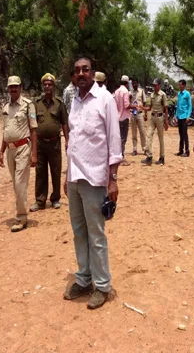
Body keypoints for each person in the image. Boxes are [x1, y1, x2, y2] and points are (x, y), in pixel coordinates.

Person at [62, 56, 121, 310]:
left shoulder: (105, 99)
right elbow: (73, 141)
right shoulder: (73, 101)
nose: (81, 74)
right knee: (78, 231)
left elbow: (114, 141)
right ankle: (84, 279)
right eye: (77, 71)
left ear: (93, 72)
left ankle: (102, 285)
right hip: (74, 177)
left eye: (85, 69)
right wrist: (66, 175)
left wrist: (113, 180)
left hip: (95, 178)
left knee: (96, 233)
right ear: (73, 76)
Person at [0, 76, 38, 232]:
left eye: (16, 86)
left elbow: (34, 130)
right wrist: (1, 151)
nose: (13, 89)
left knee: (20, 184)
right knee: (16, 184)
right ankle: (21, 212)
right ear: (8, 88)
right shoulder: (6, 108)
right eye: (11, 87)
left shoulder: (28, 106)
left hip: (23, 148)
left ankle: (21, 218)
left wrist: (34, 153)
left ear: (21, 87)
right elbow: (5, 131)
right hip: (10, 150)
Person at [31, 73, 68, 212]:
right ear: (43, 86)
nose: (47, 87)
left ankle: (55, 198)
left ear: (54, 86)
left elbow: (64, 123)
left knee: (56, 171)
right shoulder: (36, 104)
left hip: (55, 143)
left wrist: (67, 141)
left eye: (50, 84)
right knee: (40, 172)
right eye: (45, 84)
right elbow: (32, 123)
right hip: (40, 144)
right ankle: (40, 200)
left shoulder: (59, 104)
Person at [141, 78, 169, 165]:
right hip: (152, 118)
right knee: (148, 135)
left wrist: (166, 121)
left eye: (155, 85)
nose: (154, 87)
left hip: (160, 118)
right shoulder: (152, 95)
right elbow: (149, 107)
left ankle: (162, 157)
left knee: (161, 138)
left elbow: (166, 108)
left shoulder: (162, 95)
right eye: (153, 85)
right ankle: (149, 156)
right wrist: (142, 108)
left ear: (159, 85)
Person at [113, 75, 132, 166]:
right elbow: (127, 105)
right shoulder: (125, 91)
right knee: (123, 138)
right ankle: (121, 156)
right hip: (124, 117)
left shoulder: (117, 91)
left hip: (117, 117)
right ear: (127, 83)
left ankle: (118, 155)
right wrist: (135, 106)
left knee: (119, 138)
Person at [129, 76, 147, 156]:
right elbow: (129, 102)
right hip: (133, 114)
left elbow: (144, 102)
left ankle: (144, 148)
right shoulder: (130, 93)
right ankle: (135, 149)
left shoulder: (141, 91)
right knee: (134, 133)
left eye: (135, 83)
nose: (134, 84)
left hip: (140, 114)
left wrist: (145, 114)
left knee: (142, 132)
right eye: (133, 83)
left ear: (138, 83)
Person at [176, 79, 192, 157]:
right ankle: (181, 150)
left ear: (184, 85)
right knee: (180, 134)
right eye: (179, 85)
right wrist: (176, 115)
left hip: (185, 116)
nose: (179, 86)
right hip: (179, 116)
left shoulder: (187, 94)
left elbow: (190, 106)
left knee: (185, 134)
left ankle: (187, 151)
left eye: (180, 85)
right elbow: (178, 105)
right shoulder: (179, 94)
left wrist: (188, 116)